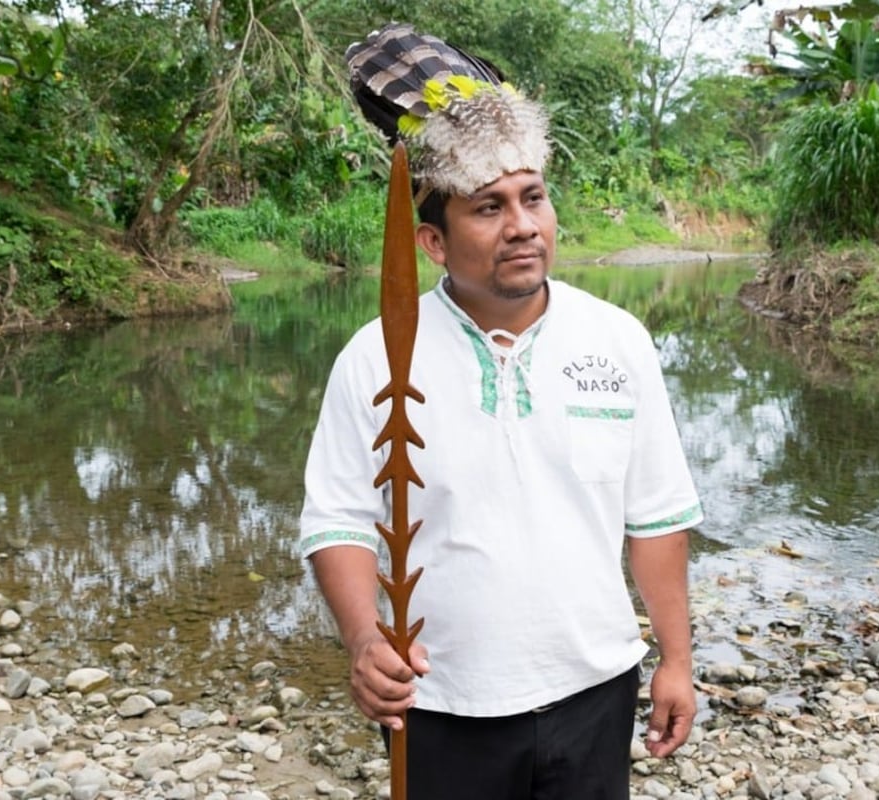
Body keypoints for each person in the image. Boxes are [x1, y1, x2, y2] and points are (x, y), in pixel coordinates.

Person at [298, 21, 704, 800]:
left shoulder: (618, 341)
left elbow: (655, 518)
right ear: (434, 242)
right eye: (488, 208)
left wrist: (676, 660)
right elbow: (338, 521)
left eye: (533, 197)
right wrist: (362, 640)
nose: (523, 226)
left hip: (597, 689)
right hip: (441, 701)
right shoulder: (378, 354)